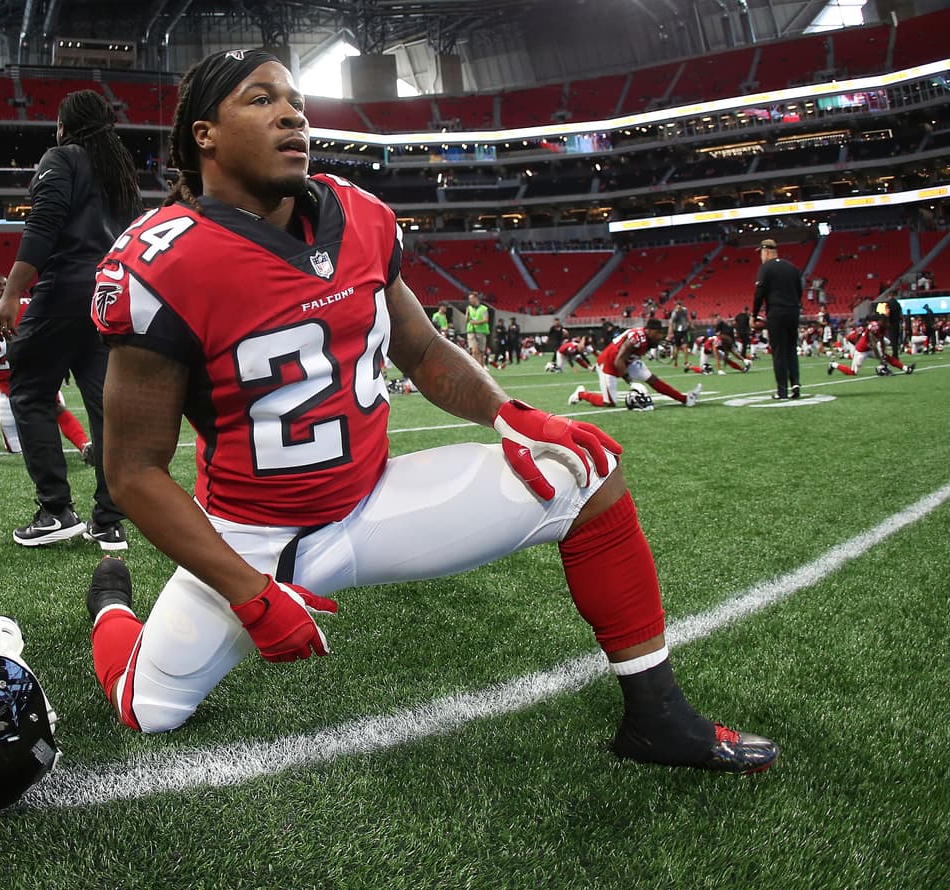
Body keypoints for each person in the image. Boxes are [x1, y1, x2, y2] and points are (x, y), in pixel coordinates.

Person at [83, 49, 777, 773]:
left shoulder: (358, 215)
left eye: (296, 100)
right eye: (261, 100)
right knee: (148, 710)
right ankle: (109, 602)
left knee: (587, 470)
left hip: (373, 498)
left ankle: (658, 718)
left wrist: (512, 415)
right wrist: (250, 595)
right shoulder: (159, 261)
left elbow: (419, 347)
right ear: (205, 135)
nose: (293, 113)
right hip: (252, 536)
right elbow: (132, 473)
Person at [0, 88, 142, 548]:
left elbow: (43, 225)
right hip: (110, 295)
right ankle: (109, 518)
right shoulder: (120, 172)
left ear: (67, 123)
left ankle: (55, 510)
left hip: (65, 290)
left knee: (29, 389)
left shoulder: (62, 157)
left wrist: (12, 293)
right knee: (104, 406)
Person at [0, 275, 103, 473]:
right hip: (7, 389)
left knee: (53, 407)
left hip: (37, 376)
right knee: (17, 451)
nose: (3, 288)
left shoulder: (28, 306)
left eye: (6, 283)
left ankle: (84, 445)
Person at [569, 318, 702, 409]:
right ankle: (581, 394)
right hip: (609, 363)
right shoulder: (636, 338)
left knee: (652, 379)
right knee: (609, 403)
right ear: (649, 330)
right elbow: (618, 360)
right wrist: (631, 383)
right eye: (657, 333)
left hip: (629, 361)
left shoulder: (647, 338)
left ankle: (685, 399)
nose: (659, 336)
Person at [751, 238, 803, 400]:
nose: (760, 256)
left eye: (761, 253)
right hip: (793, 311)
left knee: (779, 351)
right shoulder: (792, 268)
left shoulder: (766, 268)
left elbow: (759, 293)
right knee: (791, 349)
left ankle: (782, 390)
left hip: (776, 312)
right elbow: (799, 290)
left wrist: (754, 315)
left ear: (766, 252)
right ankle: (795, 384)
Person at [827, 314, 914, 377]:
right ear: (882, 322)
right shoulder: (874, 327)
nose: (888, 325)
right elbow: (873, 343)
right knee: (853, 372)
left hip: (870, 348)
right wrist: (880, 359)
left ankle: (906, 368)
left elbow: (881, 342)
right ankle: (833, 364)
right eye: (887, 322)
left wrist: (883, 354)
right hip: (862, 350)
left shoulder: (882, 329)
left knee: (886, 357)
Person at [464, 292, 490, 367]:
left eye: (471, 298)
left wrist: (476, 322)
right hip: (471, 331)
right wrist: (467, 313)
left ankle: (481, 369)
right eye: (469, 299)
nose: (470, 300)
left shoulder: (484, 308)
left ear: (476, 298)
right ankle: (474, 368)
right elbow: (466, 320)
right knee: (474, 351)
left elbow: (486, 320)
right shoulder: (469, 308)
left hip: (481, 331)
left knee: (481, 352)